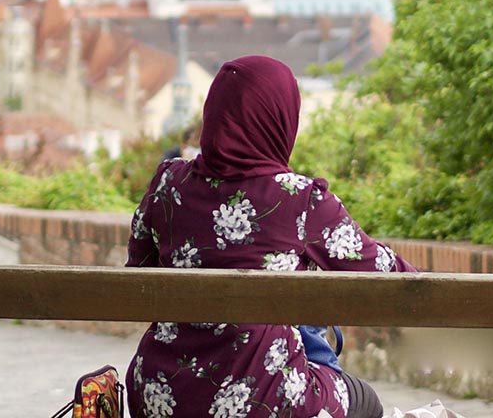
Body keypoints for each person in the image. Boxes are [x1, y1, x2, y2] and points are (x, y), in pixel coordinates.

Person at [125, 55, 417, 418]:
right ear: (280, 119)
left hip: (160, 395)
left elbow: (137, 270)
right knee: (365, 399)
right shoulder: (300, 199)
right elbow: (388, 276)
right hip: (264, 399)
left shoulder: (167, 183)